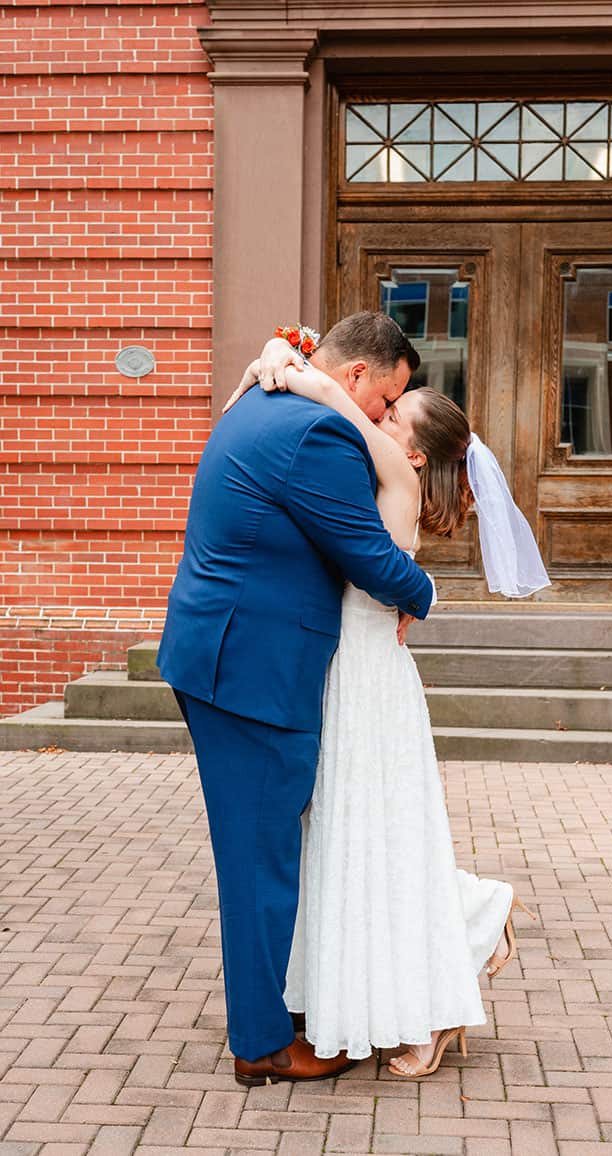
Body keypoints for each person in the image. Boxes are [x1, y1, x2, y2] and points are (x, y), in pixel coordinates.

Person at [228, 330, 549, 1078]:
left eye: (394, 416)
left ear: (410, 453)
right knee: (353, 837)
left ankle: (432, 1008)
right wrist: (274, 359)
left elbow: (341, 401)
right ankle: (464, 926)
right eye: (387, 403)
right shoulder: (372, 473)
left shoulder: (396, 483)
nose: (381, 414)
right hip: (346, 676)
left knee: (371, 834)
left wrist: (296, 370)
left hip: (369, 682)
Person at [157, 312, 436, 1088]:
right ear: (354, 380)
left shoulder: (266, 402)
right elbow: (371, 558)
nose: (383, 418)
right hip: (250, 673)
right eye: (386, 400)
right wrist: (427, 590)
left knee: (266, 849)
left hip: (226, 657)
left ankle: (280, 1007)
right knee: (257, 858)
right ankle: (261, 1045)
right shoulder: (318, 436)